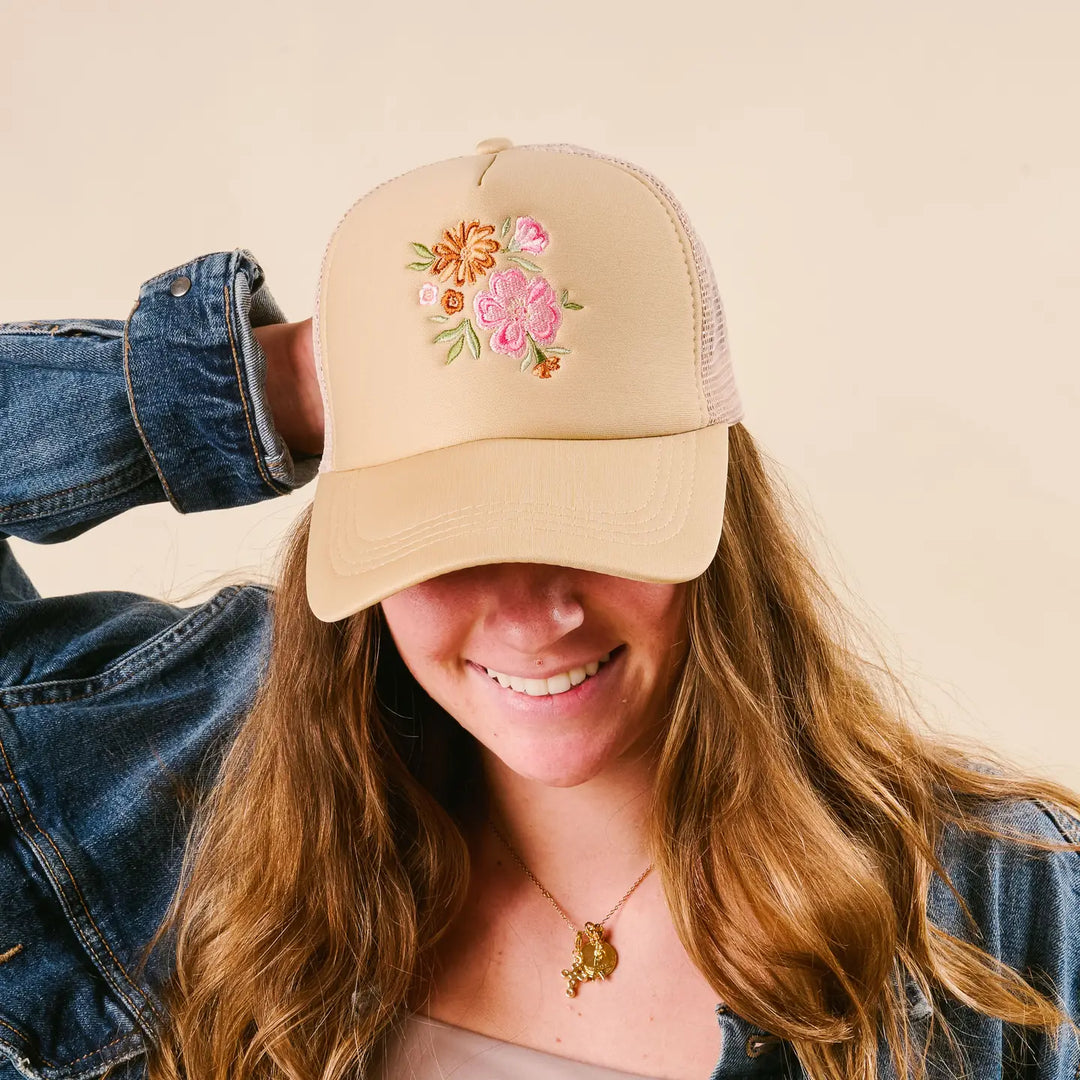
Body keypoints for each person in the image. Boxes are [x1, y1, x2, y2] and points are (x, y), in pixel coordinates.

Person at [0, 139, 1078, 1080]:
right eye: (446, 541)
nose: (533, 613)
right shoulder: (184, 802)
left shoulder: (1007, 903)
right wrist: (259, 390)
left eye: (596, 522)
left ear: (716, 511)